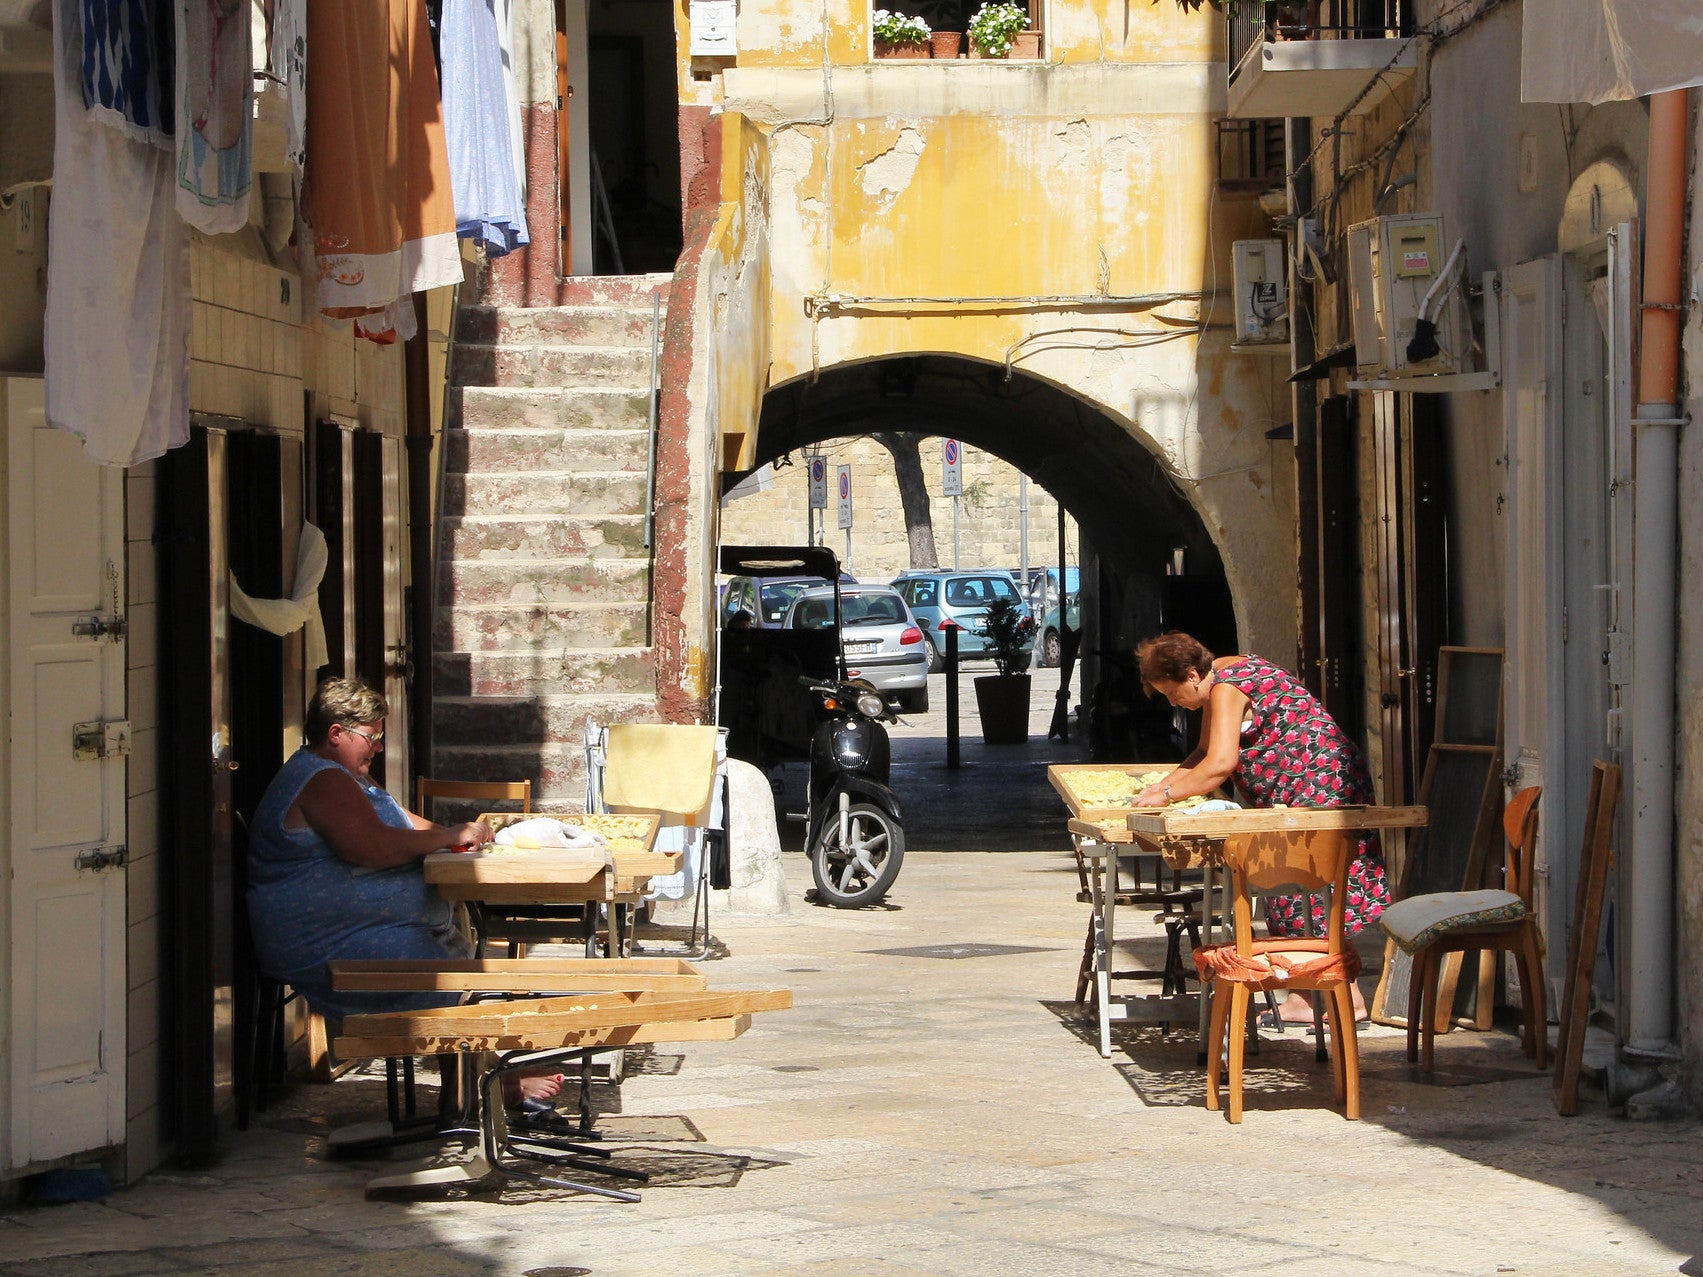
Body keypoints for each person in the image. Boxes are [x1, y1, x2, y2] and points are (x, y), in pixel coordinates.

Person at [248, 677, 560, 1107]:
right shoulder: (322, 780)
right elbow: (373, 847)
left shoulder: (347, 776)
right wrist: (445, 837)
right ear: (336, 733)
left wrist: (455, 835)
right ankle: (480, 1086)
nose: (377, 748)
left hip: (349, 931)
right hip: (322, 943)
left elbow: (401, 822)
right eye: (371, 738)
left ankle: (475, 1080)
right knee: (447, 975)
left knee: (454, 964)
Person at [1132, 633, 1386, 1023]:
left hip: (1320, 786)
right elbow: (1202, 753)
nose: (1173, 702)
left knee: (1309, 887)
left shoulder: (1227, 688)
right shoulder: (1222, 674)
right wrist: (1159, 787)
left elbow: (1219, 764)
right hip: (1303, 788)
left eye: (1172, 691)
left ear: (1193, 674)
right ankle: (1303, 998)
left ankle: (1347, 997)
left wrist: (1166, 794)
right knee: (1291, 895)